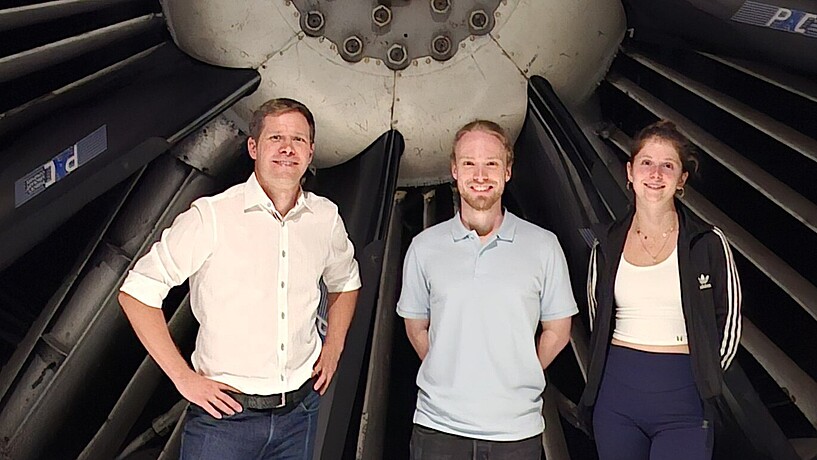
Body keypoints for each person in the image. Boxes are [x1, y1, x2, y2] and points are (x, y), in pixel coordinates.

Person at [118, 98, 360, 459]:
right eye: (276, 137)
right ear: (253, 147)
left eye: (298, 140)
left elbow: (345, 281)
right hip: (225, 418)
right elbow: (136, 293)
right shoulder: (211, 217)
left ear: (310, 153)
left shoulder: (324, 219)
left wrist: (335, 345)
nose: (287, 149)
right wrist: (183, 379)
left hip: (299, 413)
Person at [397, 120, 578, 459]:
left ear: (508, 171)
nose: (480, 175)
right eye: (469, 164)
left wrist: (520, 371)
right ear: (454, 170)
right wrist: (447, 368)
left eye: (491, 164)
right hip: (439, 428)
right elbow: (415, 325)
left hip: (516, 431)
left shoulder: (543, 246)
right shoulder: (425, 247)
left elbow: (558, 330)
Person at [578, 120, 742, 460]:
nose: (655, 174)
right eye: (646, 163)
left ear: (681, 179)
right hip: (617, 399)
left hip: (683, 399)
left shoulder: (707, 243)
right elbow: (598, 315)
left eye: (668, 165)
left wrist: (704, 374)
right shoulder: (606, 245)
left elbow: (729, 321)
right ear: (630, 171)